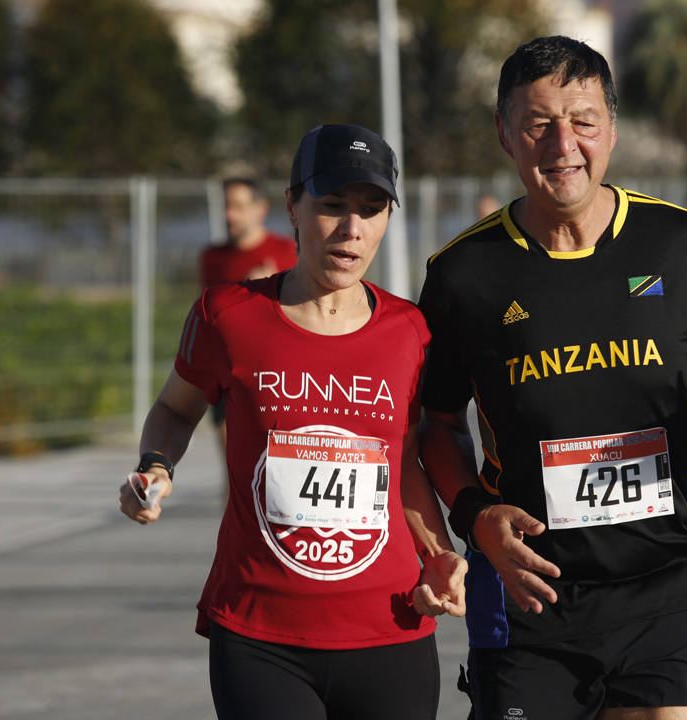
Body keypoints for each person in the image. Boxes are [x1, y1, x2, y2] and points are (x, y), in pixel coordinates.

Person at [417, 36, 687, 720]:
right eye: (538, 123)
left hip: (666, 584)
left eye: (583, 120)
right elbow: (436, 425)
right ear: (505, 135)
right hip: (530, 593)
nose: (563, 143)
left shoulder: (679, 244)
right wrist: (476, 519)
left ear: (612, 131)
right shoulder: (463, 275)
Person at [119, 124, 467, 720]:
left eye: (371, 209)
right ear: (292, 207)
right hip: (260, 636)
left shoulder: (409, 331)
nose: (351, 229)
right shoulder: (228, 314)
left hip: (389, 625)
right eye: (332, 205)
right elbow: (176, 408)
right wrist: (155, 466)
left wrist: (439, 552)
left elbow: (402, 463)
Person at [200, 177, 300, 488]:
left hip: (278, 377)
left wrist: (269, 287)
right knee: (236, 473)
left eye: (239, 207)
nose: (230, 215)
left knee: (276, 475)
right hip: (227, 374)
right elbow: (207, 318)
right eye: (227, 206)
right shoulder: (212, 258)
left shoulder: (287, 252)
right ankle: (229, 536)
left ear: (260, 209)